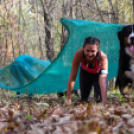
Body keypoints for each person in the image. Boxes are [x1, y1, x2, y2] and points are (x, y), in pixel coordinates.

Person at [67, 37, 108, 104]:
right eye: (87, 51)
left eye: (92, 51)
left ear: (97, 50)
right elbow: (72, 76)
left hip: (98, 76)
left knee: (98, 100)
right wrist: (68, 99)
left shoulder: (103, 57)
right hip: (85, 74)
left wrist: (104, 101)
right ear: (83, 49)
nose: (89, 54)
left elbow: (103, 79)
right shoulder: (78, 54)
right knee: (84, 100)